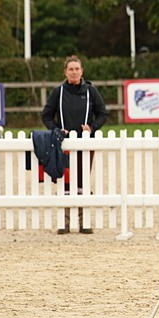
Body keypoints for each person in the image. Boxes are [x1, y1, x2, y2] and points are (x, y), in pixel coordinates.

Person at [41, 56, 109, 234]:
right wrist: (56, 130)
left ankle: (83, 221)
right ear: (65, 72)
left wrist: (92, 127)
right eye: (70, 69)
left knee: (82, 182)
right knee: (65, 182)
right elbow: (46, 115)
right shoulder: (58, 92)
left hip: (85, 144)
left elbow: (103, 113)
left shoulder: (91, 91)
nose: (74, 72)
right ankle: (64, 222)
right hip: (64, 145)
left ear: (82, 71)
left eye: (77, 69)